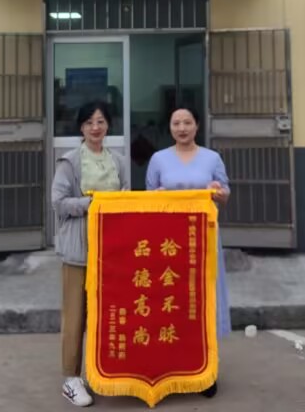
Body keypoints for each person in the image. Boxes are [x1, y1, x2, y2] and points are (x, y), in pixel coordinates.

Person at [145, 105, 231, 399]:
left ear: (197, 126)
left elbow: (225, 194)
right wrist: (155, 197)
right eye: (176, 123)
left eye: (187, 122)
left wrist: (219, 191)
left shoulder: (212, 158)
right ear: (169, 127)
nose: (181, 128)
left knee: (202, 302)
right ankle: (172, 366)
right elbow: (148, 198)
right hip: (169, 244)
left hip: (203, 240)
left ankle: (206, 372)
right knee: (173, 303)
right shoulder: (158, 159)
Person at [52, 101, 131, 408]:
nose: (95, 128)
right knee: (75, 316)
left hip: (112, 250)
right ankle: (71, 379)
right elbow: (59, 203)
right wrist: (93, 203)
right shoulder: (70, 162)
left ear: (108, 125)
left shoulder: (119, 161)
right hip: (78, 249)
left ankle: (103, 372)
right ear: (81, 128)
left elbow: (126, 198)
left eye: (100, 122)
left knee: (109, 314)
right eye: (89, 123)